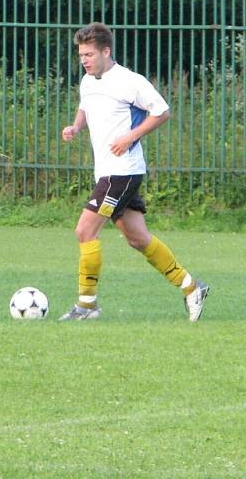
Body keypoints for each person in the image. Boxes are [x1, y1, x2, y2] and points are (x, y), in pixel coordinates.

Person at [59, 22, 209, 321]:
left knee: (85, 230)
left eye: (89, 54)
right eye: (81, 55)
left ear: (106, 51)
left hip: (122, 171)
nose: (84, 60)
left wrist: (130, 136)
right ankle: (192, 287)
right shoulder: (88, 81)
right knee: (137, 238)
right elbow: (86, 106)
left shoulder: (130, 81)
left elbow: (161, 111)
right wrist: (76, 125)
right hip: (107, 172)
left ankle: (87, 306)